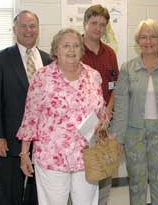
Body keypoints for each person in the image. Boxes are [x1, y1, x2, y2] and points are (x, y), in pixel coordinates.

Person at [16, 28, 109, 205]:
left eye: (76, 46)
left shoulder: (93, 76)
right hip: (52, 157)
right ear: (56, 50)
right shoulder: (42, 77)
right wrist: (24, 153)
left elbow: (101, 112)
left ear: (82, 50)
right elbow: (30, 117)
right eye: (66, 45)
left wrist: (102, 126)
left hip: (86, 156)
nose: (71, 50)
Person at [111, 19, 158, 205]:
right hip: (133, 133)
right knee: (136, 183)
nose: (148, 41)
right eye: (143, 37)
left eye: (152, 36)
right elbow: (121, 106)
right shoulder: (128, 68)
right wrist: (118, 139)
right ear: (138, 41)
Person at [0, 10, 50, 205]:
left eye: (32, 26)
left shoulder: (49, 61)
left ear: (38, 30)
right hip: (10, 141)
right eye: (23, 26)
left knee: (37, 194)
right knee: (9, 194)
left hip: (42, 143)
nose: (28, 30)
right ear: (14, 29)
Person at [81, 4, 119, 205]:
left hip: (105, 123)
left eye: (102, 25)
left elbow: (115, 86)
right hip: (82, 126)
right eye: (94, 23)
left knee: (104, 172)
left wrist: (109, 111)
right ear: (85, 23)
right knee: (81, 176)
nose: (98, 28)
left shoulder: (110, 53)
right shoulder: (73, 50)